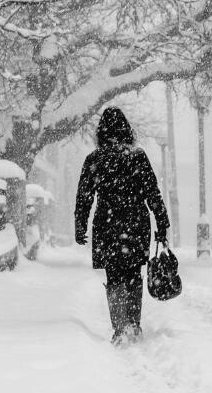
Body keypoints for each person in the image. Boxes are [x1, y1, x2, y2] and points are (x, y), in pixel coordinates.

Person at [74, 106, 170, 346]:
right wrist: (161, 221)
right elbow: (152, 193)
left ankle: (119, 328)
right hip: (136, 223)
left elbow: (84, 197)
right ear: (127, 129)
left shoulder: (95, 160)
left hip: (108, 226)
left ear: (101, 132)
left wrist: (80, 225)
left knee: (114, 275)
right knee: (134, 275)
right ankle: (134, 324)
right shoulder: (137, 156)